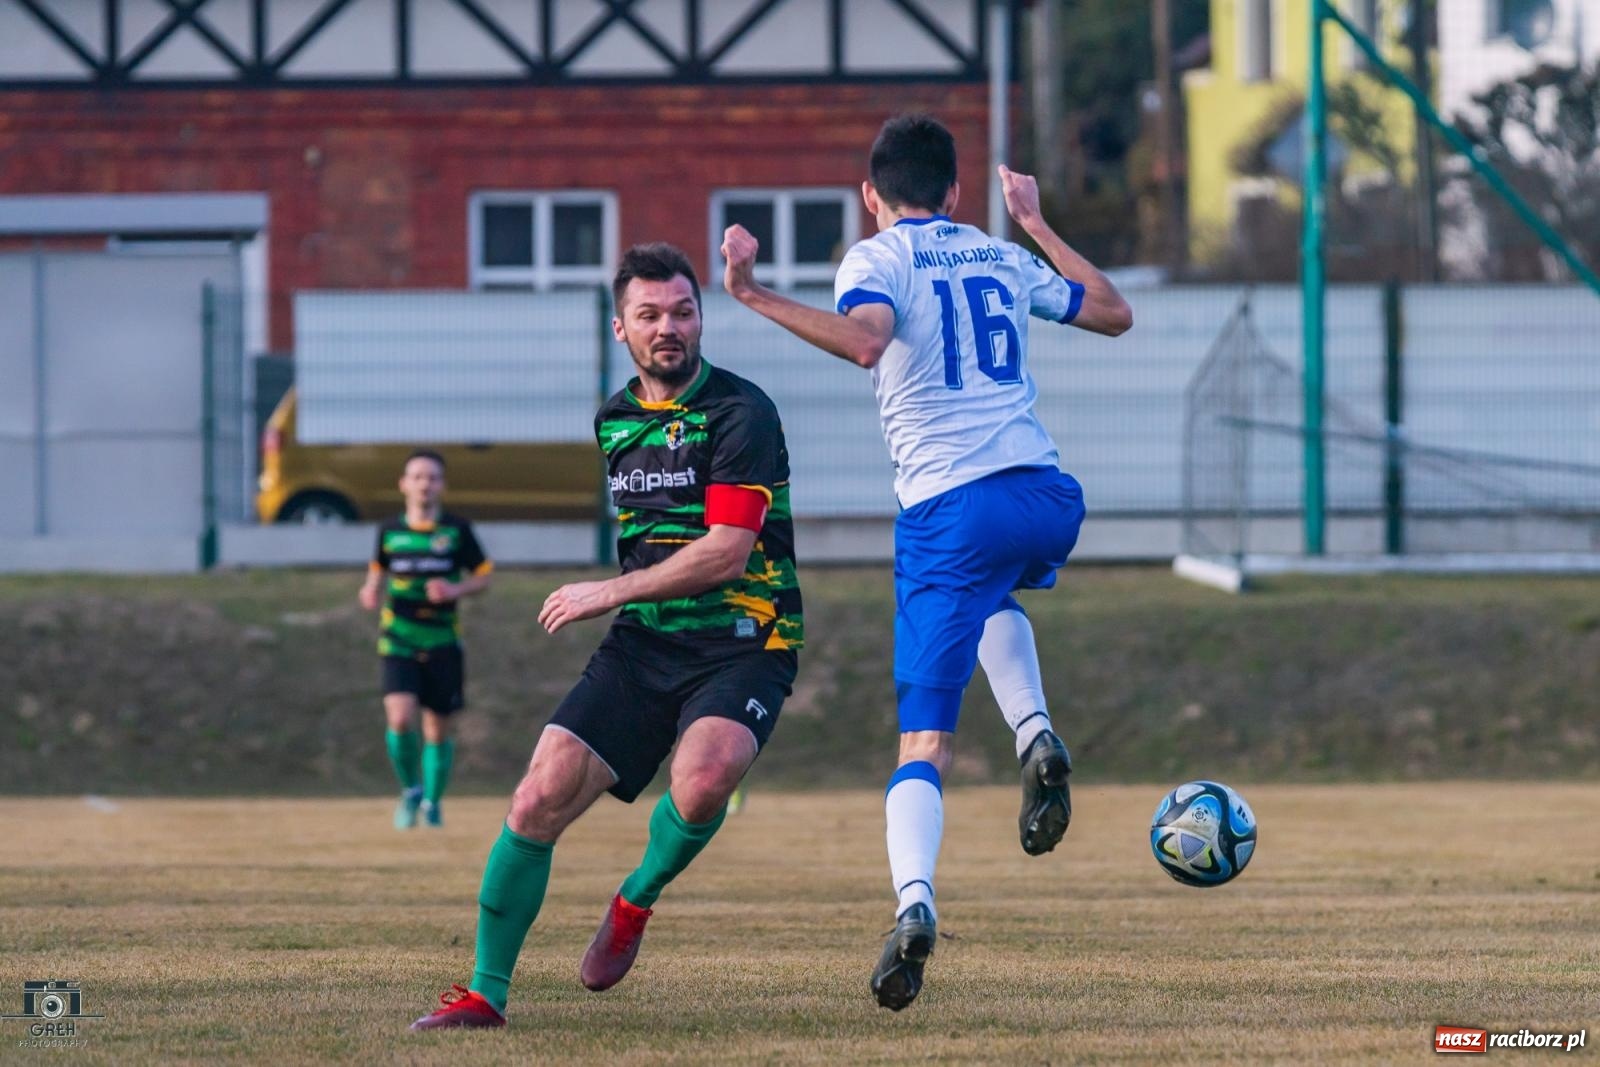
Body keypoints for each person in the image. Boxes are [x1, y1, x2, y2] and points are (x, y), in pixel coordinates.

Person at [720, 113, 1132, 1011]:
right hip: (1046, 494)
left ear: (873, 196)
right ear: (953, 191)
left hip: (949, 509)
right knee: (994, 592)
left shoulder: (875, 259)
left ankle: (913, 905)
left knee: (925, 744)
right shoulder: (994, 250)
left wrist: (751, 295)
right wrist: (1036, 224)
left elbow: (865, 340)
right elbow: (1111, 311)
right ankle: (1035, 734)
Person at [410, 242, 804, 1030]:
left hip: (744, 635)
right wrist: (627, 600)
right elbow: (653, 544)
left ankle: (634, 900)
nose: (670, 328)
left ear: (701, 319)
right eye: (650, 315)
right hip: (645, 642)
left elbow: (727, 552)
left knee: (703, 777)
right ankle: (486, 992)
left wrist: (608, 589)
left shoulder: (741, 412)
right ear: (620, 326)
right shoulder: (615, 419)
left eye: (684, 312)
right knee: (537, 796)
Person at [359, 451, 493, 830]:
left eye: (432, 477)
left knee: (437, 728)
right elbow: (378, 570)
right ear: (404, 484)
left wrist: (455, 589)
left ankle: (433, 803)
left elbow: (483, 577)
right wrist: (370, 590)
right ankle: (411, 792)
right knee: (400, 719)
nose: (424, 484)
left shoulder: (456, 531)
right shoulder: (389, 531)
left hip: (442, 641)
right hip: (398, 639)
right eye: (417, 476)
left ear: (441, 485)